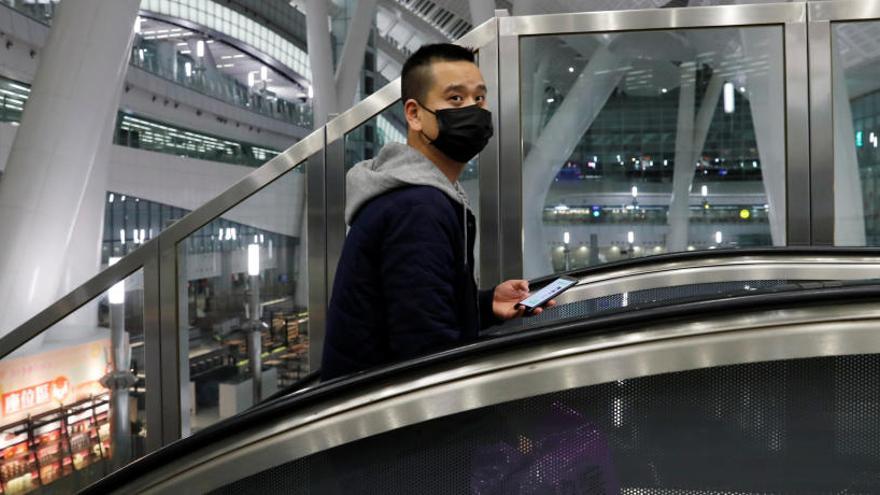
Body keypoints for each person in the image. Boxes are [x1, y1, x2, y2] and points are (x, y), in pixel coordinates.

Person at [321, 43, 553, 380]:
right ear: (414, 114)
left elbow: (414, 308)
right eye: (455, 99)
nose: (473, 110)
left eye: (479, 98)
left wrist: (486, 304)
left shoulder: (420, 195)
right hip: (384, 420)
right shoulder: (418, 208)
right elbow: (429, 354)